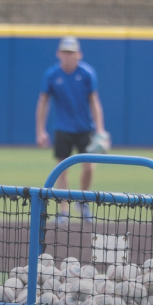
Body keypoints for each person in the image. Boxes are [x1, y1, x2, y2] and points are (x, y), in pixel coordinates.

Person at [34, 36, 107, 224]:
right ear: (58, 54)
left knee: (89, 167)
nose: (68, 56)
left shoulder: (87, 73)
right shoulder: (52, 75)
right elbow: (43, 102)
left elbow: (94, 101)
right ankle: (64, 210)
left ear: (78, 54)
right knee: (62, 169)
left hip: (84, 128)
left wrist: (100, 130)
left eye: (71, 53)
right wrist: (40, 130)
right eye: (65, 53)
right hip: (63, 128)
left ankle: (82, 201)